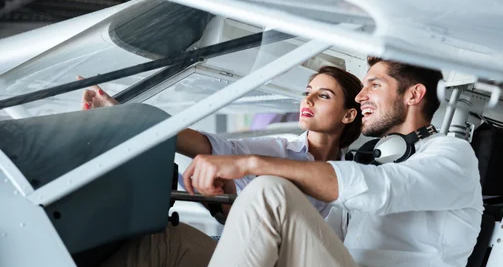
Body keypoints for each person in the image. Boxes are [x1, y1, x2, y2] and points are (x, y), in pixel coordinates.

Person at [86, 57, 483, 267]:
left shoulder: (451, 156)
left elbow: (382, 191)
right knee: (172, 242)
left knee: (271, 189)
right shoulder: (373, 160)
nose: (362, 95)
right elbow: (306, 243)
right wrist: (228, 204)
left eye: (374, 85)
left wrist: (252, 164)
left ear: (414, 94)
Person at [77, 66, 363, 218]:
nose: (308, 100)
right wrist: (121, 114)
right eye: (307, 91)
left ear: (349, 114)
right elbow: (203, 145)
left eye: (323, 95)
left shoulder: (358, 175)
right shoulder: (280, 150)